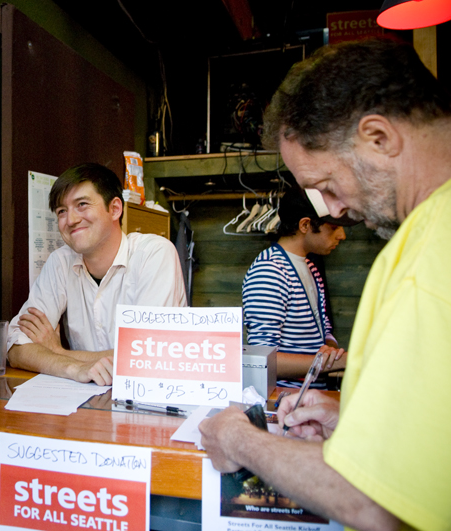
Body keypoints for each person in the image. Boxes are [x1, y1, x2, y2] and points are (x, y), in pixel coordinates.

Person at [199, 37, 451, 530]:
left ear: (379, 137)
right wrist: (352, 417)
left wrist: (239, 440)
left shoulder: (430, 258)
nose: (333, 210)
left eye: (327, 185)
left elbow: (374, 504)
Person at [7, 163, 187, 385]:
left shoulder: (154, 254)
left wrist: (57, 351)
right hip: (86, 406)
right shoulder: (60, 262)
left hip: (152, 401)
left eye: (82, 204)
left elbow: (147, 359)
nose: (71, 220)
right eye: (62, 211)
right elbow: (15, 348)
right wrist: (74, 368)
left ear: (115, 209)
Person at [242, 189, 351, 384]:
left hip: (310, 397)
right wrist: (338, 362)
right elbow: (263, 360)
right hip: (285, 400)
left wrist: (330, 349)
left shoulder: (310, 266)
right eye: (334, 227)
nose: (342, 235)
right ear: (305, 225)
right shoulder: (270, 271)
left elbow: (322, 330)